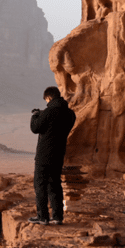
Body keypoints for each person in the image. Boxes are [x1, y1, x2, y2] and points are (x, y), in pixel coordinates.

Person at [29, 86, 76, 225]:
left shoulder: (49, 112)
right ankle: (57, 217)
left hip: (44, 155)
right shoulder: (70, 114)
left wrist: (35, 115)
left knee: (40, 185)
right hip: (59, 154)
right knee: (55, 185)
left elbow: (35, 128)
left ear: (49, 97)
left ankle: (42, 216)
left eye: (46, 100)